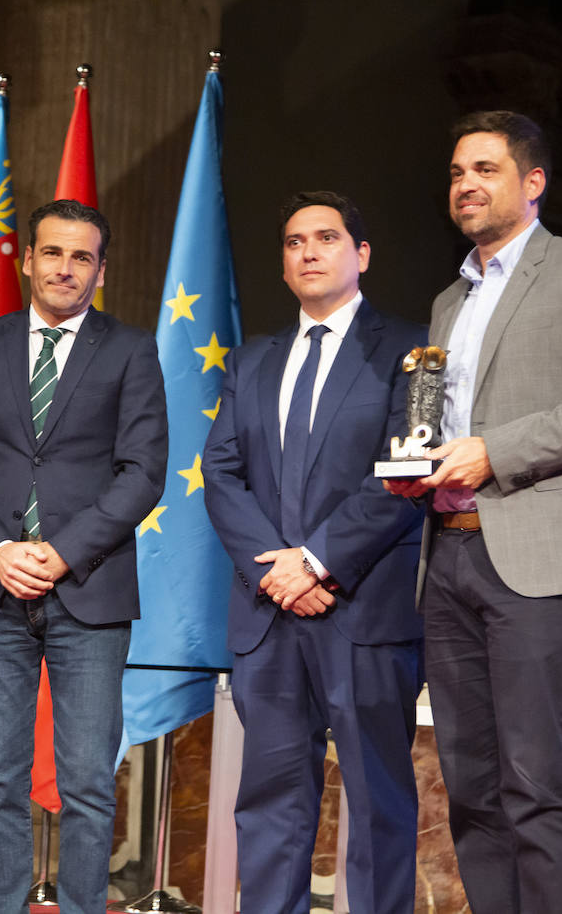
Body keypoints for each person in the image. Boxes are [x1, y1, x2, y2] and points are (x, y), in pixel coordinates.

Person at [385, 111, 562, 913]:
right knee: (469, 784)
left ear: (532, 184)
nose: (465, 184)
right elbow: (445, 424)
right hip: (452, 555)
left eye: (486, 170)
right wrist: (420, 469)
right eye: (457, 172)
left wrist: (495, 451)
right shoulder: (447, 301)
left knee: (535, 783)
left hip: (537, 559)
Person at [0, 199, 168, 914]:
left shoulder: (130, 349)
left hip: (88, 590)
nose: (65, 268)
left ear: (102, 271)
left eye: (82, 257)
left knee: (89, 784)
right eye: (53, 253)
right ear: (27, 259)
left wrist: (61, 553)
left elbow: (143, 471)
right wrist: (1, 550)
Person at [202, 191, 425, 914]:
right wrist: (280, 571)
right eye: (295, 241)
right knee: (269, 802)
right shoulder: (254, 359)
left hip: (363, 611)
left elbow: (404, 472)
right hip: (270, 614)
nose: (308, 252)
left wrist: (318, 560)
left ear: (361, 255)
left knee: (378, 801)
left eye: (327, 238)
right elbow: (221, 473)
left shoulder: (410, 351)